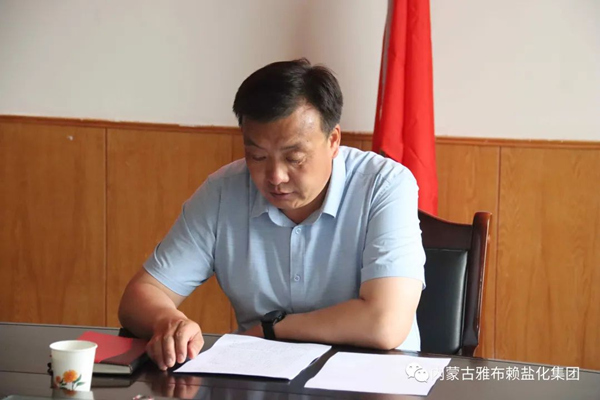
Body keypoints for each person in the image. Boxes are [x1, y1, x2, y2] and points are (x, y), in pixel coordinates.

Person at [118, 58, 426, 371]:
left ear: (333, 140)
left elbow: (384, 323)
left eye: (294, 158)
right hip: (260, 376)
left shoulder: (384, 185)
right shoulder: (223, 192)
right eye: (257, 156)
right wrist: (167, 321)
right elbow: (143, 294)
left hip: (372, 376)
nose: (275, 176)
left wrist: (273, 329)